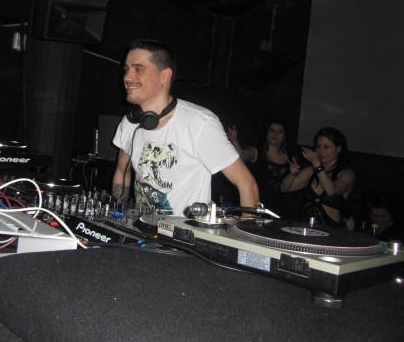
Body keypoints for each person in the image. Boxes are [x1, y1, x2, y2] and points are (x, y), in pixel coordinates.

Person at [112, 39, 259, 216]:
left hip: (186, 232)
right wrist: (118, 216)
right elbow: (122, 170)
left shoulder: (199, 123)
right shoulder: (131, 122)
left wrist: (246, 231)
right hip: (142, 227)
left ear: (164, 76)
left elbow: (246, 184)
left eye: (138, 69)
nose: (127, 77)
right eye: (126, 69)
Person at [280, 127, 355, 226]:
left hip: (331, 230)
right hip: (306, 226)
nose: (320, 151)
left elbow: (331, 190)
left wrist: (316, 163)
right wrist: (292, 174)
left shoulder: (346, 173)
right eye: (318, 147)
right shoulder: (311, 170)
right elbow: (285, 188)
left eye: (326, 147)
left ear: (338, 148)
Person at [227, 119, 291, 216]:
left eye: (280, 131)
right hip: (259, 205)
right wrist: (234, 140)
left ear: (284, 136)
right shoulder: (257, 152)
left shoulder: (289, 158)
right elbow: (243, 155)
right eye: (272, 130)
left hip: (281, 207)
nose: (275, 134)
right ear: (267, 134)